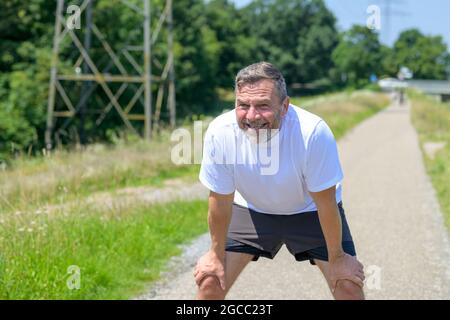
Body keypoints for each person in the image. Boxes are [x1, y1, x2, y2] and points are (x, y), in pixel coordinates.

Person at [194, 62, 365, 300]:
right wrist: (214, 254)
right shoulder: (219, 132)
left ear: (285, 106)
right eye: (243, 105)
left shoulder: (312, 133)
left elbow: (326, 204)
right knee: (210, 281)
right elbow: (220, 201)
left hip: (310, 211)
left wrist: (338, 259)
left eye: (263, 105)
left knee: (347, 284)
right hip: (252, 211)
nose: (252, 116)